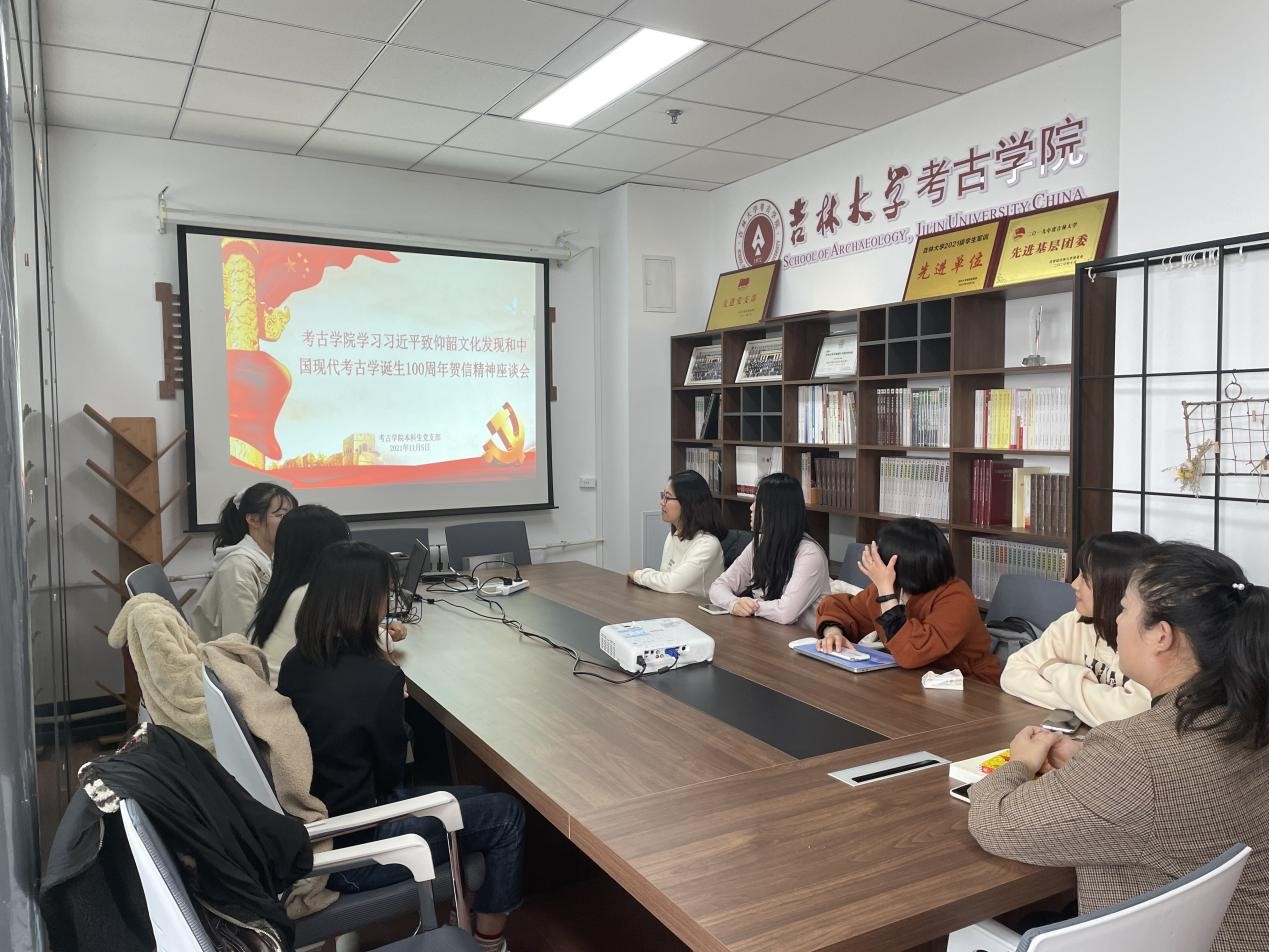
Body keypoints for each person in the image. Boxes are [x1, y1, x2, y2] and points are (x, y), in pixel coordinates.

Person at [969, 543, 1269, 951]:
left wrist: (1019, 764)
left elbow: (995, 823)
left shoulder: (1136, 753)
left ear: (1161, 636)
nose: (1116, 621)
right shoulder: (1248, 712)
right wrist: (1091, 762)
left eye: (1125, 610)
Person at [279, 542, 523, 952]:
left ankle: (464, 911)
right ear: (365, 601)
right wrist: (395, 714)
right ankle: (488, 943)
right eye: (384, 593)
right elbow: (392, 776)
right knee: (506, 815)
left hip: (322, 825)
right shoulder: (377, 680)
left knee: (481, 795)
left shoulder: (297, 659)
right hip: (357, 850)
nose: (388, 602)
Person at [815, 518, 1001, 684]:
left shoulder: (956, 597)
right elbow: (841, 608)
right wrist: (833, 632)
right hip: (912, 681)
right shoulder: (894, 588)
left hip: (968, 686)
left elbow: (912, 652)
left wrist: (886, 594)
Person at [1001, 531, 1157, 725]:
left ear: (1116, 586)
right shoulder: (1074, 622)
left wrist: (1055, 670)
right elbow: (1012, 674)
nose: (1074, 584)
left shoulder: (1151, 641)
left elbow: (1133, 715)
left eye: (1086, 577)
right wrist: (1090, 704)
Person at [707, 472, 831, 629]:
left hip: (803, 639)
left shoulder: (810, 554)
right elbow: (717, 587)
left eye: (757, 502)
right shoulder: (760, 543)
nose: (751, 507)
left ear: (776, 510)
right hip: (767, 632)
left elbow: (786, 613)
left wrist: (751, 605)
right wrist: (734, 604)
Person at [248, 504, 351, 684]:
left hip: (271, 688)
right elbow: (372, 643)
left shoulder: (285, 589)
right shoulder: (313, 594)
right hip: (288, 696)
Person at [190, 482, 296, 642]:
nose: (291, 523)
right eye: (281, 515)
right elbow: (241, 642)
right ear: (253, 519)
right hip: (228, 655)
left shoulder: (269, 558)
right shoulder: (238, 568)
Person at [628, 471, 726, 598]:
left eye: (667, 497)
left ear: (687, 502)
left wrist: (638, 575)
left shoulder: (708, 544)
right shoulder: (674, 535)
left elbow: (671, 584)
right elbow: (665, 578)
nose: (662, 502)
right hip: (672, 605)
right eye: (662, 495)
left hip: (695, 609)